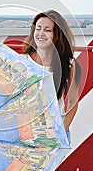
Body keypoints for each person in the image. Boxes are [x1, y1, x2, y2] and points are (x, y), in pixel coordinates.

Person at [22, 10, 81, 141]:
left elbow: (73, 103)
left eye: (47, 30)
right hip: (24, 134)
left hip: (53, 132)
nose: (41, 33)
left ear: (57, 35)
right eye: (38, 28)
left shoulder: (68, 64)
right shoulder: (22, 62)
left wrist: (61, 133)